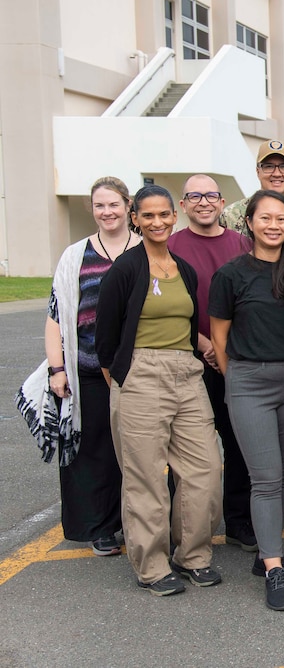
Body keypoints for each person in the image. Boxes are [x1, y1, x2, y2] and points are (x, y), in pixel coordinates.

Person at [96, 184, 222, 597]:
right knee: (145, 477)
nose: (157, 222)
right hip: (141, 375)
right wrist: (120, 381)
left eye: (164, 214)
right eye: (147, 216)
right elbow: (106, 337)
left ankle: (193, 555)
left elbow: (189, 327)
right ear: (135, 218)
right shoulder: (126, 269)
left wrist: (208, 350)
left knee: (205, 469)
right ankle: (151, 564)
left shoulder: (182, 268)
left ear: (175, 215)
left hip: (186, 374)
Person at [210, 189, 284, 612]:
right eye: (265, 218)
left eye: (282, 219)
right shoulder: (231, 274)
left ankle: (262, 553)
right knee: (266, 480)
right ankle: (273, 566)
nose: (274, 225)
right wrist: (236, 379)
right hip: (249, 381)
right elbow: (219, 336)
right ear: (249, 222)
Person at [221, 139, 284, 524]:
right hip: (249, 335)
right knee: (246, 435)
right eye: (269, 165)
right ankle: (249, 507)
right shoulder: (232, 215)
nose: (276, 172)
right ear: (259, 170)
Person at [40, 177, 141, 556]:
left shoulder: (148, 247)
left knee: (136, 453)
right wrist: (57, 369)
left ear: (128, 206)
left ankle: (137, 523)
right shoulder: (75, 255)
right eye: (99, 205)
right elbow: (56, 315)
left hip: (137, 370)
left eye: (113, 204)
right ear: (92, 209)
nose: (107, 212)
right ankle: (101, 527)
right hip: (87, 370)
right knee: (94, 453)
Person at [168, 175, 256, 554]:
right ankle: (187, 529)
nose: (204, 202)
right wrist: (204, 344)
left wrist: (226, 348)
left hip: (235, 360)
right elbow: (168, 307)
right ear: (183, 206)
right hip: (189, 364)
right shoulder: (170, 246)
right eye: (195, 196)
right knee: (189, 453)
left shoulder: (242, 244)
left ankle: (239, 523)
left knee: (239, 445)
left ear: (223, 204)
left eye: (211, 196)